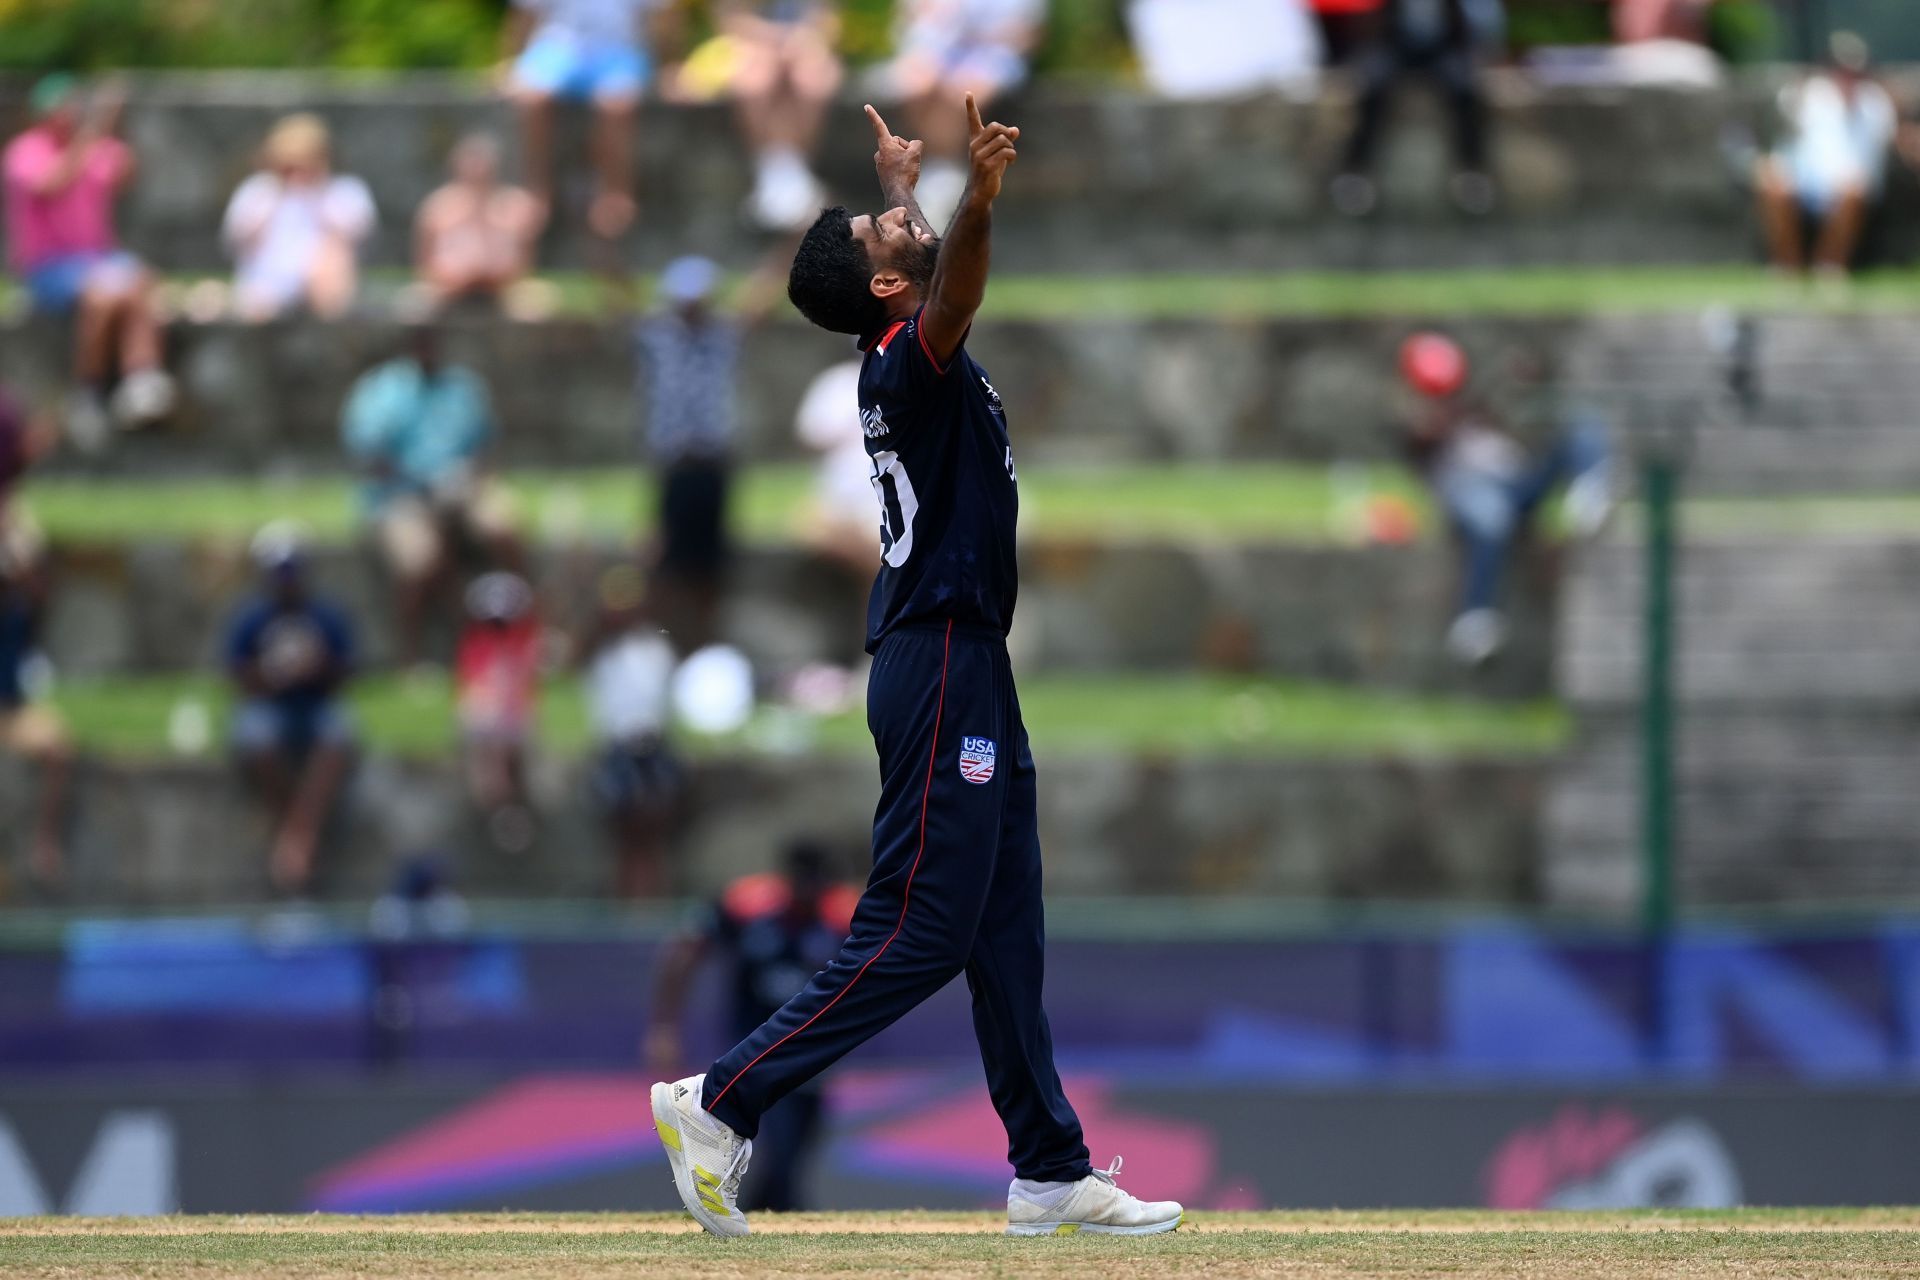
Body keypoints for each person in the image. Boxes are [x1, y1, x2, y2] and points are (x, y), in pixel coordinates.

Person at [648, 96, 1184, 1240]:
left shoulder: (900, 346)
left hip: (961, 656)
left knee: (1005, 927)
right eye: (882, 231)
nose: (901, 220)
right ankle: (720, 1098)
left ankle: (1049, 1165)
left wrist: (903, 196)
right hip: (939, 654)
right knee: (922, 926)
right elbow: (957, 282)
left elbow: (926, 275)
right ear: (889, 290)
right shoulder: (910, 358)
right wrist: (975, 197)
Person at [646, 839, 860, 1210]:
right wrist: (664, 1026)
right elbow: (683, 951)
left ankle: (766, 1211)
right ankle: (778, 1212)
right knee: (779, 1145)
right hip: (754, 1048)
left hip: (813, 1055)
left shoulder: (842, 914)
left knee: (800, 1142)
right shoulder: (747, 905)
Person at [1398, 332, 1612, 666]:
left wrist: (1516, 381)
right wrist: (1432, 421)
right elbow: (1420, 457)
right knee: (1490, 520)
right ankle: (1476, 617)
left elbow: (1519, 421)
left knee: (1583, 425)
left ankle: (1588, 494)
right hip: (1474, 496)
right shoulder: (1421, 426)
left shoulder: (1478, 409)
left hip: (1516, 486)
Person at [3, 75, 174, 449]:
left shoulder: (97, 147)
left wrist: (115, 123)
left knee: (139, 283)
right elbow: (52, 183)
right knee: (102, 296)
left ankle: (142, 378)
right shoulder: (24, 152)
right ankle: (89, 392)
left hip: (98, 260)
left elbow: (126, 173)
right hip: (48, 268)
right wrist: (94, 130)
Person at [341, 326, 522, 668]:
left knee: (502, 525)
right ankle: (413, 657)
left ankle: (525, 627)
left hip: (462, 487)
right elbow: (369, 457)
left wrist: (467, 476)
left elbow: (486, 443)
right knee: (420, 561)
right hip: (400, 495)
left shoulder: (463, 387)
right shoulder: (381, 392)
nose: (429, 349)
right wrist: (420, 483)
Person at [633, 249, 786, 648]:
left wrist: (790, 245)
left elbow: (760, 297)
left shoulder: (722, 335)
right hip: (675, 464)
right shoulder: (657, 337)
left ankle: (703, 646)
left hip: (713, 465)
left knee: (711, 566)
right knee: (663, 559)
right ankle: (659, 642)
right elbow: (616, 291)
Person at [226, 524, 357, 896]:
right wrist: (273, 676)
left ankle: (294, 835)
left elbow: (346, 670)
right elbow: (238, 675)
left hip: (316, 705)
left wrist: (313, 669)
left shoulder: (326, 615)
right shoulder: (252, 618)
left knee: (339, 732)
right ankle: (299, 834)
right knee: (255, 736)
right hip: (270, 707)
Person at [503, 0, 663, 240]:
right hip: (558, 50)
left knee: (617, 105)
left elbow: (662, 21)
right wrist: (513, 62)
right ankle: (536, 189)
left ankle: (615, 193)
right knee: (532, 99)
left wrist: (667, 66)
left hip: (620, 50)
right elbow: (524, 16)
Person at [881, 0, 1044, 226]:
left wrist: (973, 34)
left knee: (961, 95)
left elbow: (1029, 36)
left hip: (994, 57)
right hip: (939, 53)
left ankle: (941, 177)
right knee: (915, 86)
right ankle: (937, 175)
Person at [1330, 0, 1496, 218]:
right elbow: (1370, 22)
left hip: (1440, 49)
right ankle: (1356, 172)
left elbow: (1465, 24)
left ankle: (1472, 171)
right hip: (1396, 47)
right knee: (1372, 86)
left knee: (1464, 88)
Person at [1755, 32, 1896, 280]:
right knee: (1769, 178)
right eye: (1841, 69)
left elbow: (1881, 154)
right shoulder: (1808, 94)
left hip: (1851, 188)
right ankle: (1787, 269)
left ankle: (1829, 268)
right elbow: (1783, 134)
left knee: (1853, 189)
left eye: (1854, 70)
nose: (1847, 77)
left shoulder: (1876, 103)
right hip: (1806, 182)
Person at [582, 565, 682, 897]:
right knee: (624, 835)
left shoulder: (655, 645)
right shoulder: (599, 646)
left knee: (654, 833)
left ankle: (651, 900)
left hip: (652, 744)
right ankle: (627, 902)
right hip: (618, 746)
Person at [221, 113, 377, 320]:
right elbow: (235, 241)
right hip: (266, 285)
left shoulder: (344, 191)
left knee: (334, 255)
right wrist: (271, 202)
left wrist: (319, 194)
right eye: (288, 167)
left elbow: (358, 236)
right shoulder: (257, 191)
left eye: (304, 164)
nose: (296, 175)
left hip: (324, 285)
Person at [718, 0, 844, 230]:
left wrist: (798, 40)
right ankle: (773, 169)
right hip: (752, 46)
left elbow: (827, 19)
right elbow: (731, 18)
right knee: (756, 80)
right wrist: (773, 38)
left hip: (806, 45)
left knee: (812, 79)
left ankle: (794, 170)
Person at [455, 571, 542, 853]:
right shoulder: (474, 643)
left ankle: (508, 807)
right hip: (487, 717)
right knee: (488, 743)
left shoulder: (525, 642)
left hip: (513, 718)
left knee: (505, 746)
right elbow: (475, 690)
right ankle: (501, 807)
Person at [413, 134, 546, 308]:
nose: (477, 171)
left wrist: (494, 278)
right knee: (415, 303)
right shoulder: (437, 206)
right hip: (448, 288)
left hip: (503, 288)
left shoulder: (516, 204)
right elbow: (424, 264)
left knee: (537, 303)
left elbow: (526, 261)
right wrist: (455, 279)